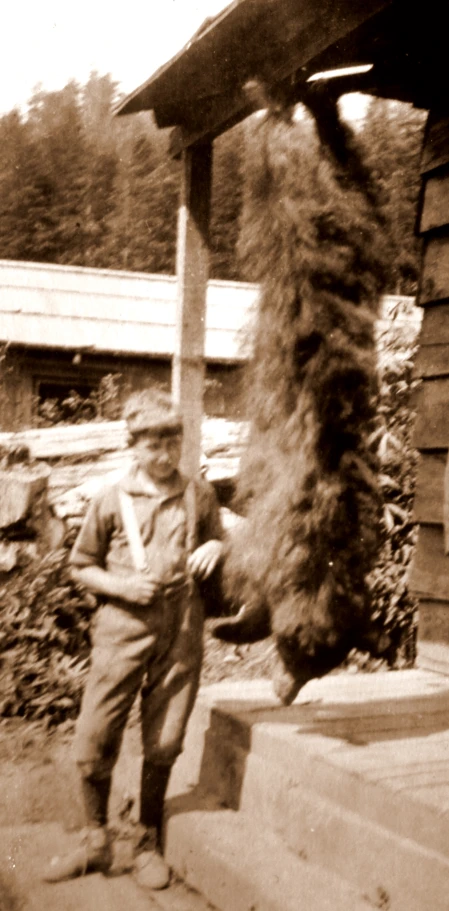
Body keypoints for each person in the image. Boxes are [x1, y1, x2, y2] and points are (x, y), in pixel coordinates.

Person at [42, 389, 224, 890]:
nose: (164, 455)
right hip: (122, 628)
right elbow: (81, 566)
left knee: (165, 738)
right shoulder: (110, 499)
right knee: (95, 735)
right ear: (132, 445)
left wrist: (213, 543)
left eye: (172, 442)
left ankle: (146, 841)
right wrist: (122, 585)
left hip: (182, 627)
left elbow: (217, 538)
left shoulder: (199, 494)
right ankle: (96, 841)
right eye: (152, 445)